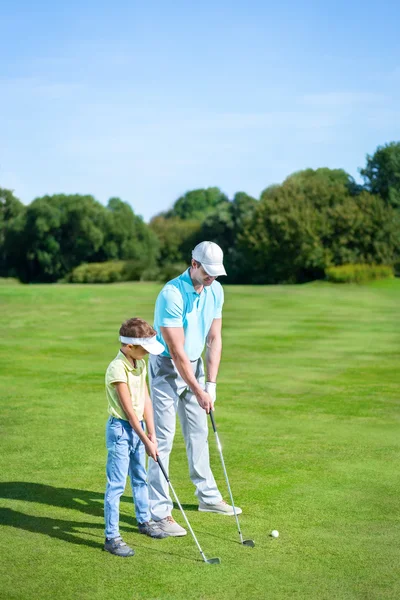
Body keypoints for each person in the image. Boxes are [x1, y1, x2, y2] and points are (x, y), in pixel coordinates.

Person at [148, 241, 242, 537]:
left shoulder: (216, 290)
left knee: (199, 433)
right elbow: (175, 352)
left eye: (216, 273)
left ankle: (208, 498)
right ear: (194, 264)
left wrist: (210, 385)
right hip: (166, 367)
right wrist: (199, 390)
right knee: (161, 439)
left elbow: (214, 339)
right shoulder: (171, 294)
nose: (212, 278)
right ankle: (159, 513)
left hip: (196, 366)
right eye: (207, 272)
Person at [104, 317, 168, 557]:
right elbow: (130, 412)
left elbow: (146, 400)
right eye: (145, 349)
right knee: (116, 486)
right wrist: (146, 440)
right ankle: (112, 537)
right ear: (129, 346)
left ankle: (144, 521)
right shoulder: (117, 368)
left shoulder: (139, 364)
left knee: (141, 478)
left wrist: (152, 433)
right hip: (121, 430)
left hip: (139, 427)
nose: (148, 354)